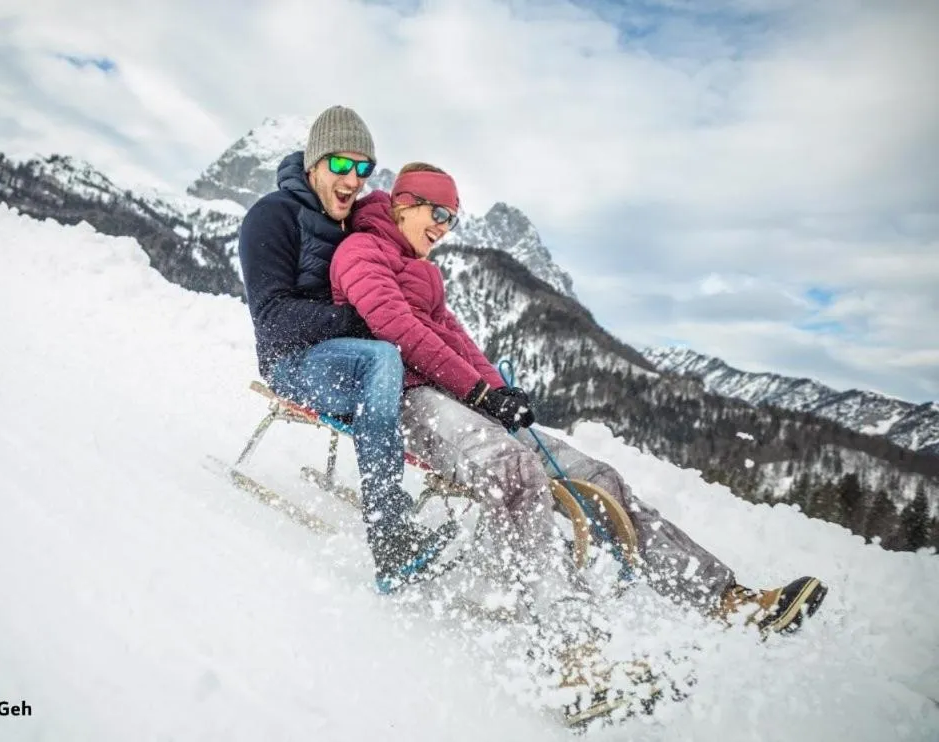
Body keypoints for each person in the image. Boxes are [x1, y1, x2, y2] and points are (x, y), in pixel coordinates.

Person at [330, 161, 829, 635]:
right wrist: (480, 391)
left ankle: (725, 599)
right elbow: (397, 330)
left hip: (457, 398)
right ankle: (571, 646)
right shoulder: (361, 251)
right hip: (406, 400)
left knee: (598, 478)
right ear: (404, 203)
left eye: (454, 219)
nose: (445, 227)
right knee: (514, 470)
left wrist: (501, 393)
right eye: (438, 213)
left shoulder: (425, 273)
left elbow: (457, 341)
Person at [237, 106, 458, 594]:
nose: (353, 178)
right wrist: (360, 320)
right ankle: (390, 533)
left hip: (345, 358)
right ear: (314, 163)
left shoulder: (350, 222)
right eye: (341, 164)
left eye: (363, 169)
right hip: (292, 364)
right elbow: (272, 320)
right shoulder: (271, 216)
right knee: (382, 358)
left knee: (400, 362)